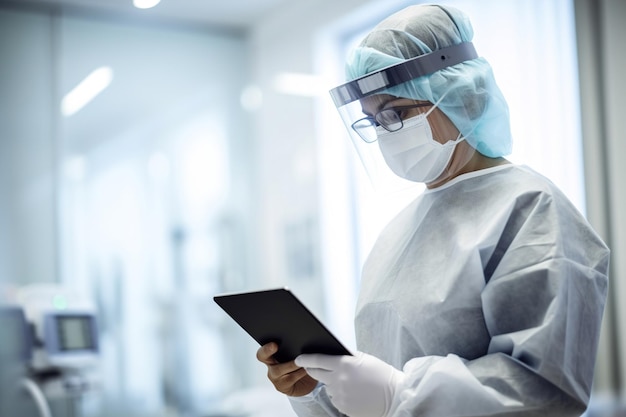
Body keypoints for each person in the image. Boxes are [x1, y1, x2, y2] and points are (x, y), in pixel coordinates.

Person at [256, 4, 609, 417]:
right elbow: (376, 394)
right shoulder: (397, 234)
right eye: (372, 120)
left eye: (395, 112)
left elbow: (542, 391)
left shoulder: (532, 211)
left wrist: (401, 395)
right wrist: (318, 388)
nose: (386, 131)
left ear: (462, 95)